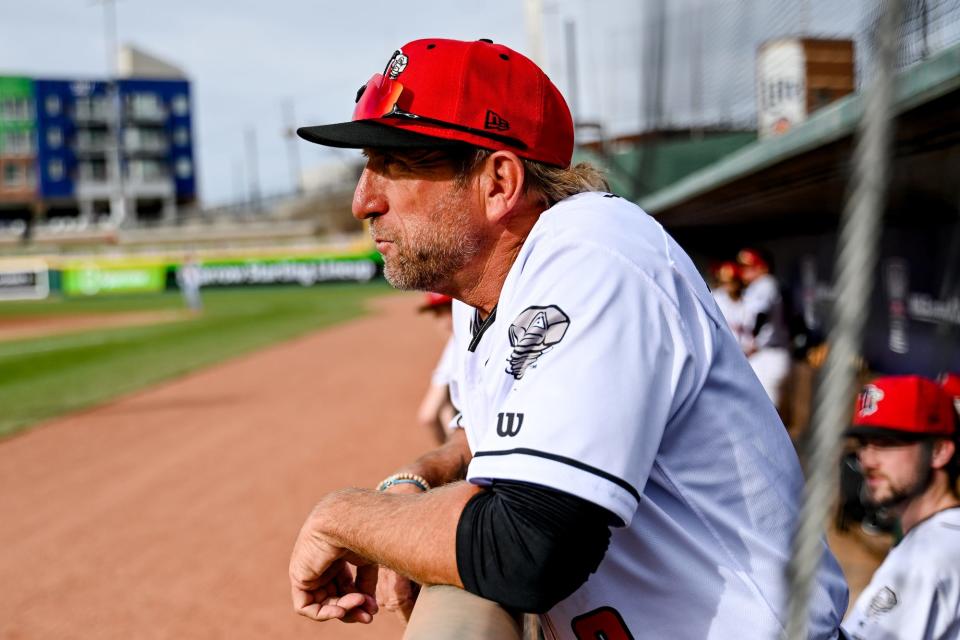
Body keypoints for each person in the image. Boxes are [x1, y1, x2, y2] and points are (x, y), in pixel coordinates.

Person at [288, 37, 848, 638]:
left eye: (393, 165)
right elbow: (485, 435)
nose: (363, 201)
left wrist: (343, 517)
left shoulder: (593, 252)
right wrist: (418, 479)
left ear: (497, 181)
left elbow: (532, 551)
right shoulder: (489, 287)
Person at [842, 375, 960, 639]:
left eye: (887, 443)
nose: (867, 460)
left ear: (939, 451)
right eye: (864, 443)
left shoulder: (928, 555)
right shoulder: (944, 538)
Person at [737, 248, 791, 407]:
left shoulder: (765, 284)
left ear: (763, 267)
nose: (744, 270)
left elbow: (761, 314)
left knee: (764, 407)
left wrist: (753, 340)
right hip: (763, 354)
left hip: (769, 354)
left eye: (750, 266)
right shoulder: (758, 286)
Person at [416, 292, 456, 445]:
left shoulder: (456, 347)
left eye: (447, 311)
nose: (442, 322)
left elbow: (428, 416)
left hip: (473, 447)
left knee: (446, 404)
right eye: (437, 315)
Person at [710, 260, 754, 354]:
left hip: (746, 351)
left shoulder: (748, 299)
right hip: (722, 349)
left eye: (732, 281)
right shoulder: (716, 298)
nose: (728, 286)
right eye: (724, 282)